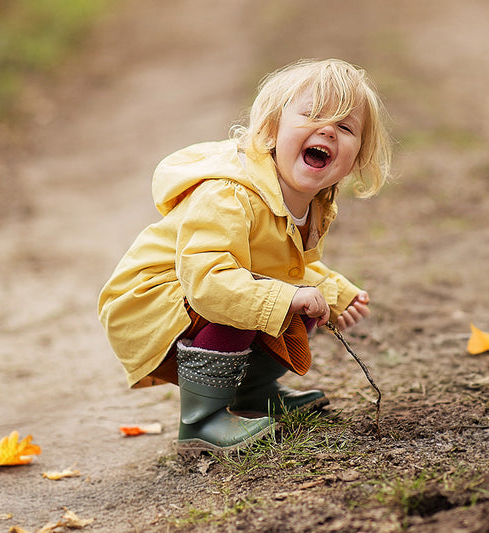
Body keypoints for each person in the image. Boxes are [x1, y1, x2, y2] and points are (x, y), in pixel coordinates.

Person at [98, 58, 392, 453]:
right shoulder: (230, 194)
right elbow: (210, 282)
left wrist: (334, 291)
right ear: (271, 130)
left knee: (291, 301)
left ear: (355, 158)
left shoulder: (312, 201)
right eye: (313, 115)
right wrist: (287, 294)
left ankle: (251, 394)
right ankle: (201, 420)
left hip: (199, 292)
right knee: (252, 300)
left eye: (344, 127)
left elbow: (282, 265)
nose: (327, 129)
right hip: (154, 300)